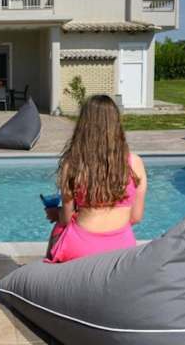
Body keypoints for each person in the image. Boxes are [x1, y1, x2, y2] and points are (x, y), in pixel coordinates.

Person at [45, 95, 147, 263]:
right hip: (121, 251)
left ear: (83, 126)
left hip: (80, 249)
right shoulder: (135, 163)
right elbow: (136, 217)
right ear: (116, 125)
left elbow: (67, 218)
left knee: (59, 227)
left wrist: (57, 213)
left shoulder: (73, 163)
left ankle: (50, 274)